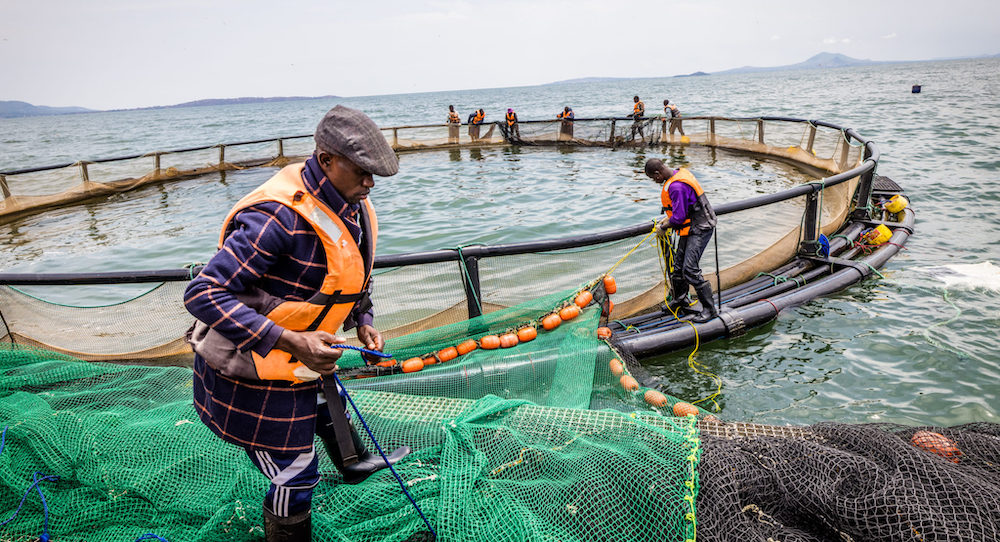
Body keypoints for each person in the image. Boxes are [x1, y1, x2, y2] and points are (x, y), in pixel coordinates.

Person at [185, 105, 410, 541]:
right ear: (326, 160)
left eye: (375, 174)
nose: (371, 183)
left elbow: (350, 272)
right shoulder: (275, 218)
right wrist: (289, 340)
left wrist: (363, 318)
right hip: (250, 366)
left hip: (304, 355)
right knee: (296, 474)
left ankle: (353, 463)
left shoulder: (351, 203)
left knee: (330, 406)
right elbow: (202, 293)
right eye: (363, 171)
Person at [644, 158, 719, 323]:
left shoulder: (677, 186)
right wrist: (666, 220)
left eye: (653, 178)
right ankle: (680, 300)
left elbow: (678, 219)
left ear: (658, 173)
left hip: (700, 227)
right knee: (678, 268)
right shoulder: (677, 173)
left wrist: (663, 227)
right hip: (691, 227)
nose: (654, 181)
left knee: (690, 269)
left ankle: (709, 309)